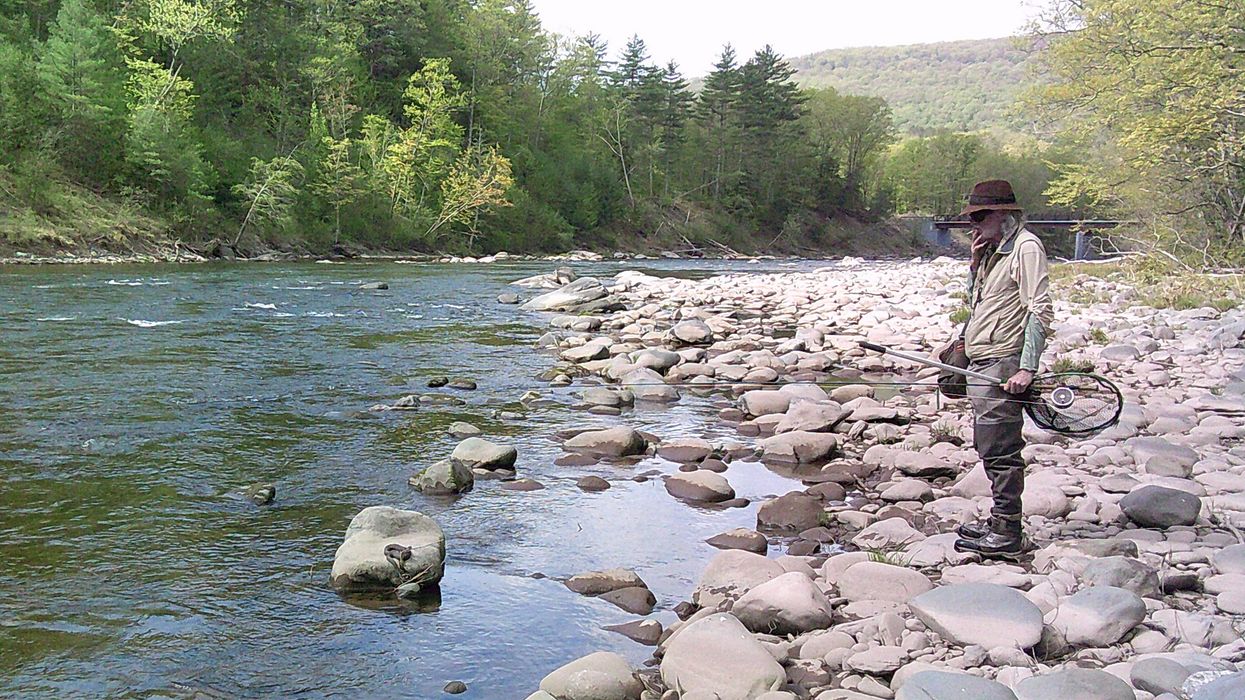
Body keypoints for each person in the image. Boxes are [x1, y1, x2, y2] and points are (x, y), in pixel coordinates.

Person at [948, 179, 1054, 560]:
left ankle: (1007, 532)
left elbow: (1039, 309)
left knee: (1001, 448)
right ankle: (999, 522)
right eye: (971, 219)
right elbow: (978, 302)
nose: (973, 226)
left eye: (979, 217)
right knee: (987, 443)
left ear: (1004, 214)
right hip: (982, 359)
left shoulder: (1026, 247)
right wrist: (975, 265)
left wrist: (1027, 368)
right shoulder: (994, 251)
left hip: (1003, 361)